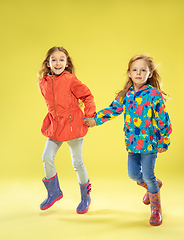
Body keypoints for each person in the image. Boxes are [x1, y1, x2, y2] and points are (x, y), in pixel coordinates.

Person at [85, 54, 172, 226]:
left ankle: (156, 208)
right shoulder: (125, 95)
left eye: (143, 70)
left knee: (148, 175)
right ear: (129, 73)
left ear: (150, 74)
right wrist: (95, 120)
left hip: (149, 144)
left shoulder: (154, 95)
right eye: (135, 70)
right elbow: (113, 110)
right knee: (133, 174)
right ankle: (152, 186)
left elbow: (163, 118)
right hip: (132, 144)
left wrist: (164, 140)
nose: (138, 73)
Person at [38, 46, 96, 214]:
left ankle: (85, 197)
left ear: (67, 62)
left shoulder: (70, 79)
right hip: (55, 127)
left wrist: (89, 114)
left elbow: (87, 96)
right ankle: (54, 191)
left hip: (73, 126)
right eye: (54, 60)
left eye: (61, 59)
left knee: (77, 163)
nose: (58, 63)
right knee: (46, 157)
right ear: (48, 63)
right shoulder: (44, 83)